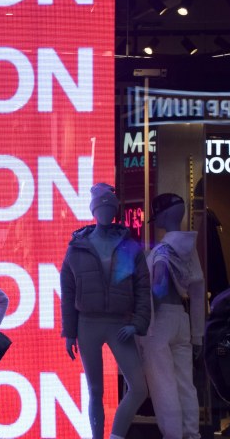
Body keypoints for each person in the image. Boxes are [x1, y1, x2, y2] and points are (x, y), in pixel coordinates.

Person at [60, 182, 150, 439]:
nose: (106, 212)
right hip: (88, 324)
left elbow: (143, 287)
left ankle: (116, 436)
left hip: (120, 324)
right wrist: (69, 332)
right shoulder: (76, 248)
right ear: (93, 210)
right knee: (95, 390)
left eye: (110, 207)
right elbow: (67, 292)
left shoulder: (129, 246)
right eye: (101, 207)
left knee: (139, 388)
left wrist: (138, 323)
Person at [138, 193, 204, 439]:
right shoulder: (190, 250)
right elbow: (197, 292)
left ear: (164, 216)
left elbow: (159, 287)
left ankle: (174, 435)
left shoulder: (163, 251)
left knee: (163, 383)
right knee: (185, 383)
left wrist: (142, 310)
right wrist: (198, 334)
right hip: (182, 320)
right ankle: (191, 433)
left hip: (160, 320)